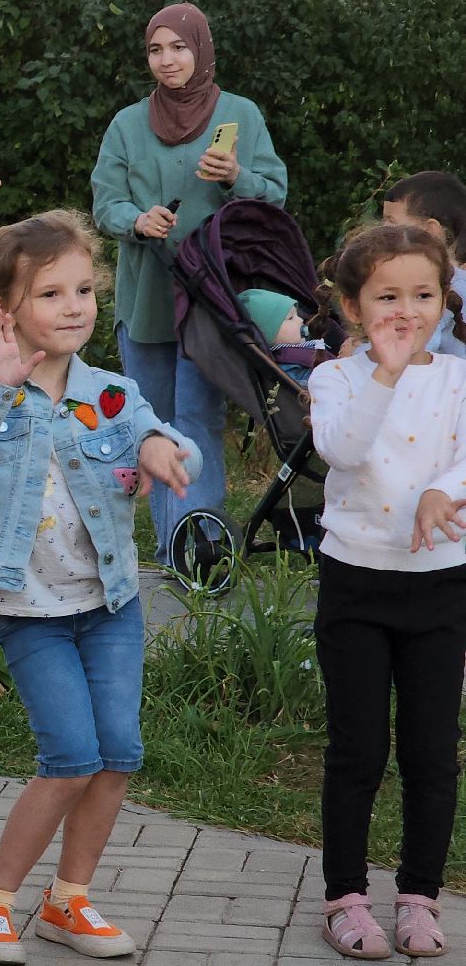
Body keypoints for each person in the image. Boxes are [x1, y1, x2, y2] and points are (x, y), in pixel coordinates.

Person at [0, 211, 202, 965]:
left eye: (84, 289)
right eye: (53, 294)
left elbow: (169, 439)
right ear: (5, 313)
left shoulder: (111, 390)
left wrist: (162, 452)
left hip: (109, 604)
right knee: (71, 757)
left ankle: (68, 902)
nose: (76, 306)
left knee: (118, 754)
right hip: (30, 610)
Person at [306, 223, 466, 961]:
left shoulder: (460, 379)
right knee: (358, 749)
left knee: (433, 753)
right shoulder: (336, 379)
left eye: (424, 294)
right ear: (351, 304)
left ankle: (419, 897)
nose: (408, 311)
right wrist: (386, 373)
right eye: (388, 297)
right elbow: (340, 449)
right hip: (356, 585)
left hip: (440, 588)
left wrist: (443, 491)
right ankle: (345, 897)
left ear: (446, 297)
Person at [90, 2, 287, 563]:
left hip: (212, 297)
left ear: (200, 50)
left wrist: (237, 177)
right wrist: (137, 220)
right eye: (155, 49)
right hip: (149, 298)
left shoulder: (240, 116)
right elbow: (106, 203)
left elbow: (274, 193)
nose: (167, 60)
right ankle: (174, 548)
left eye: (179, 47)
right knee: (151, 422)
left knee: (197, 418)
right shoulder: (127, 125)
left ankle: (205, 542)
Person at [383, 170, 466, 358]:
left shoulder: (433, 289)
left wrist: (359, 355)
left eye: (391, 222)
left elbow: (411, 350)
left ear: (431, 230)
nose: (382, 231)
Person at [235, 288, 328, 383]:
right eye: (291, 318)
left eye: (297, 314)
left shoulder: (309, 342)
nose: (300, 320)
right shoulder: (284, 370)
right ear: (268, 335)